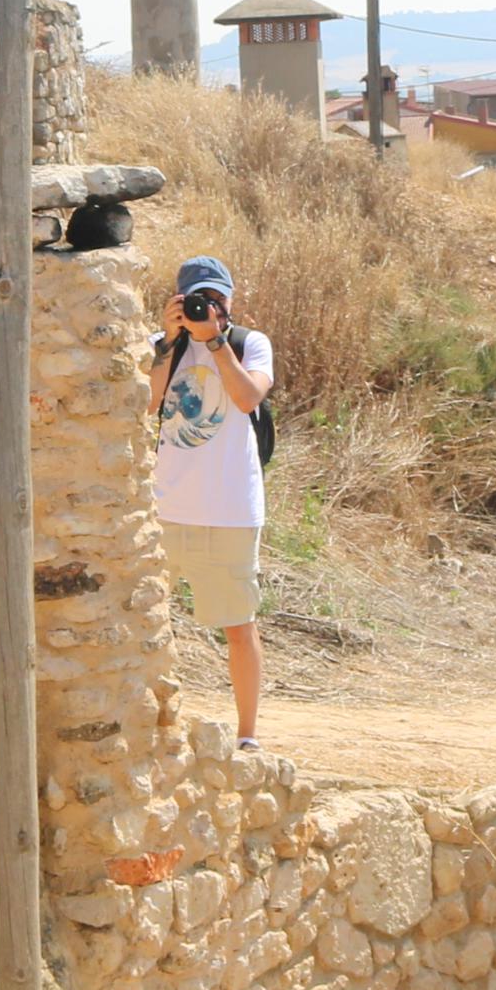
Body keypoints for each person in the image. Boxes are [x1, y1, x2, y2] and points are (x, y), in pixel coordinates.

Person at [144, 254, 275, 747]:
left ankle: (247, 735)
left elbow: (246, 398)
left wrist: (215, 342)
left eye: (215, 298)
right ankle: (151, 723)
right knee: (146, 623)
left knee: (239, 627)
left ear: (230, 302)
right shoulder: (162, 347)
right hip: (162, 512)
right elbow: (147, 401)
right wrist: (170, 340)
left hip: (229, 512)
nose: (207, 307)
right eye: (197, 298)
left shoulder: (249, 344)